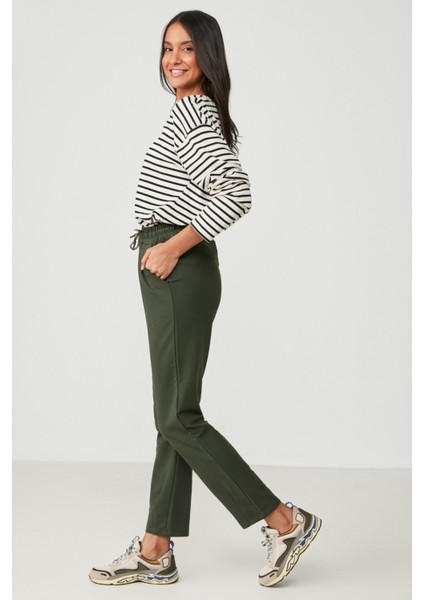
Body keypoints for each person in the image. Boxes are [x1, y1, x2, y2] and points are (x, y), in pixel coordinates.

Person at [88, 9, 321, 588]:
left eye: (187, 48)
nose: (174, 58)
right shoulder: (189, 111)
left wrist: (171, 247)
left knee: (177, 416)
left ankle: (284, 520)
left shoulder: (196, 114)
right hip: (173, 269)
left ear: (207, 56)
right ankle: (155, 549)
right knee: (173, 413)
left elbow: (236, 192)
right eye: (168, 47)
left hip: (179, 267)